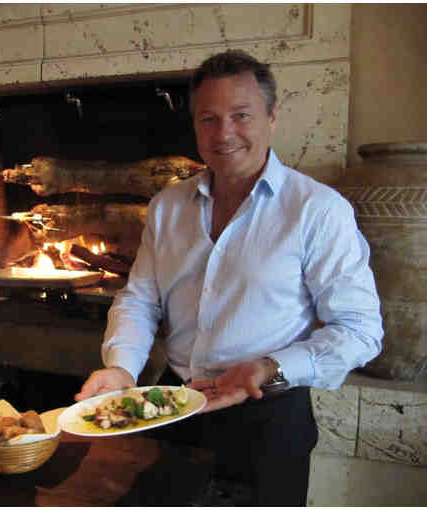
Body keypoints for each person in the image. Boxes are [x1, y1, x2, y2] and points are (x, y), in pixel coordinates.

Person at [75, 49, 383, 506]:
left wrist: (272, 367)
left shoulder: (318, 210)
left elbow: (360, 330)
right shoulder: (166, 206)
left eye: (241, 115)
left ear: (272, 118)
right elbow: (140, 298)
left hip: (268, 418)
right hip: (175, 406)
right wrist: (122, 367)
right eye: (209, 119)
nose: (224, 134)